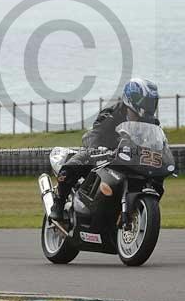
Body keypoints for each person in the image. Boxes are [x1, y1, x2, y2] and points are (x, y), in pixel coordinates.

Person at [50, 78, 160, 222]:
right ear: (132, 98)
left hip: (128, 158)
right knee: (73, 166)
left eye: (151, 102)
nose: (148, 105)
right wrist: (97, 148)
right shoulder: (111, 114)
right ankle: (58, 203)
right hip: (102, 151)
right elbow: (96, 133)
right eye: (145, 101)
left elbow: (156, 142)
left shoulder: (152, 122)